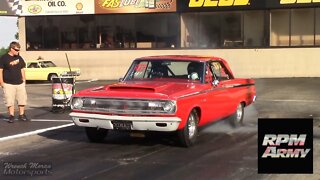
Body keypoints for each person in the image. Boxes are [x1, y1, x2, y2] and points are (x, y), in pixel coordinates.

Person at [0, 42, 29, 123]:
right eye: (16, 50)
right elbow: (0, 70)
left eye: (19, 50)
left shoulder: (19, 57)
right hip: (8, 84)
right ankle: (11, 115)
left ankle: (21, 115)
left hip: (20, 83)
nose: (18, 51)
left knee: (22, 99)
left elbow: (22, 68)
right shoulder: (4, 58)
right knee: (9, 100)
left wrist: (24, 80)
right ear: (11, 49)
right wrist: (1, 82)